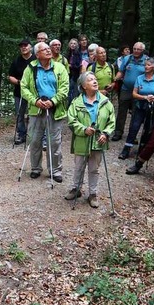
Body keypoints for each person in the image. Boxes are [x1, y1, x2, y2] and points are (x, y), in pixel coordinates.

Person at [20, 41, 70, 183]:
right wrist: (35, 101)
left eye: (49, 48)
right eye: (45, 49)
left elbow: (65, 88)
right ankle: (35, 168)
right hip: (36, 110)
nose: (48, 51)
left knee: (54, 142)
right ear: (37, 54)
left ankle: (55, 170)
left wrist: (53, 101)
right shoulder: (30, 68)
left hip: (55, 110)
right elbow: (24, 88)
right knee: (35, 140)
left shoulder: (60, 68)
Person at [67, 72, 115, 208]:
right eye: (90, 80)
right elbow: (71, 121)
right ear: (83, 86)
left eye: (95, 79)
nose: (94, 81)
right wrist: (83, 129)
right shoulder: (76, 103)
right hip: (82, 141)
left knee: (94, 169)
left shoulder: (106, 102)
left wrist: (106, 134)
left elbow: (112, 121)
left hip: (98, 141)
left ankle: (93, 194)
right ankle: (76, 189)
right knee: (78, 167)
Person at [118, 57, 154, 160]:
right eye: (145, 65)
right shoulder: (140, 78)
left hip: (153, 108)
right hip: (140, 106)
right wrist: (145, 97)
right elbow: (134, 94)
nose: (145, 67)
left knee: (148, 129)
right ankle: (126, 149)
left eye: (148, 65)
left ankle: (142, 150)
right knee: (134, 127)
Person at [112, 41, 148, 141]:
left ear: (143, 50)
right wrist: (114, 80)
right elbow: (121, 71)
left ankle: (133, 135)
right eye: (135, 49)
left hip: (139, 92)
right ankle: (118, 132)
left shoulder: (146, 60)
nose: (136, 51)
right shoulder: (127, 58)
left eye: (139, 49)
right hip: (125, 89)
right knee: (121, 112)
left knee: (136, 113)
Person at [8, 39, 35, 145]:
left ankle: (35, 134)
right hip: (19, 92)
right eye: (21, 46)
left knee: (34, 114)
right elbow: (10, 76)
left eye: (25, 45)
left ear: (30, 47)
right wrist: (20, 83)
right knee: (20, 113)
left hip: (34, 92)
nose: (23, 47)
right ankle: (21, 134)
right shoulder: (16, 61)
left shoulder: (36, 60)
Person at [66, 38, 83, 102]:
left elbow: (78, 65)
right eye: (71, 43)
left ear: (77, 45)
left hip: (75, 75)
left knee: (74, 91)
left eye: (74, 43)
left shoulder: (78, 53)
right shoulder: (68, 53)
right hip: (68, 74)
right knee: (68, 91)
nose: (73, 45)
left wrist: (70, 65)